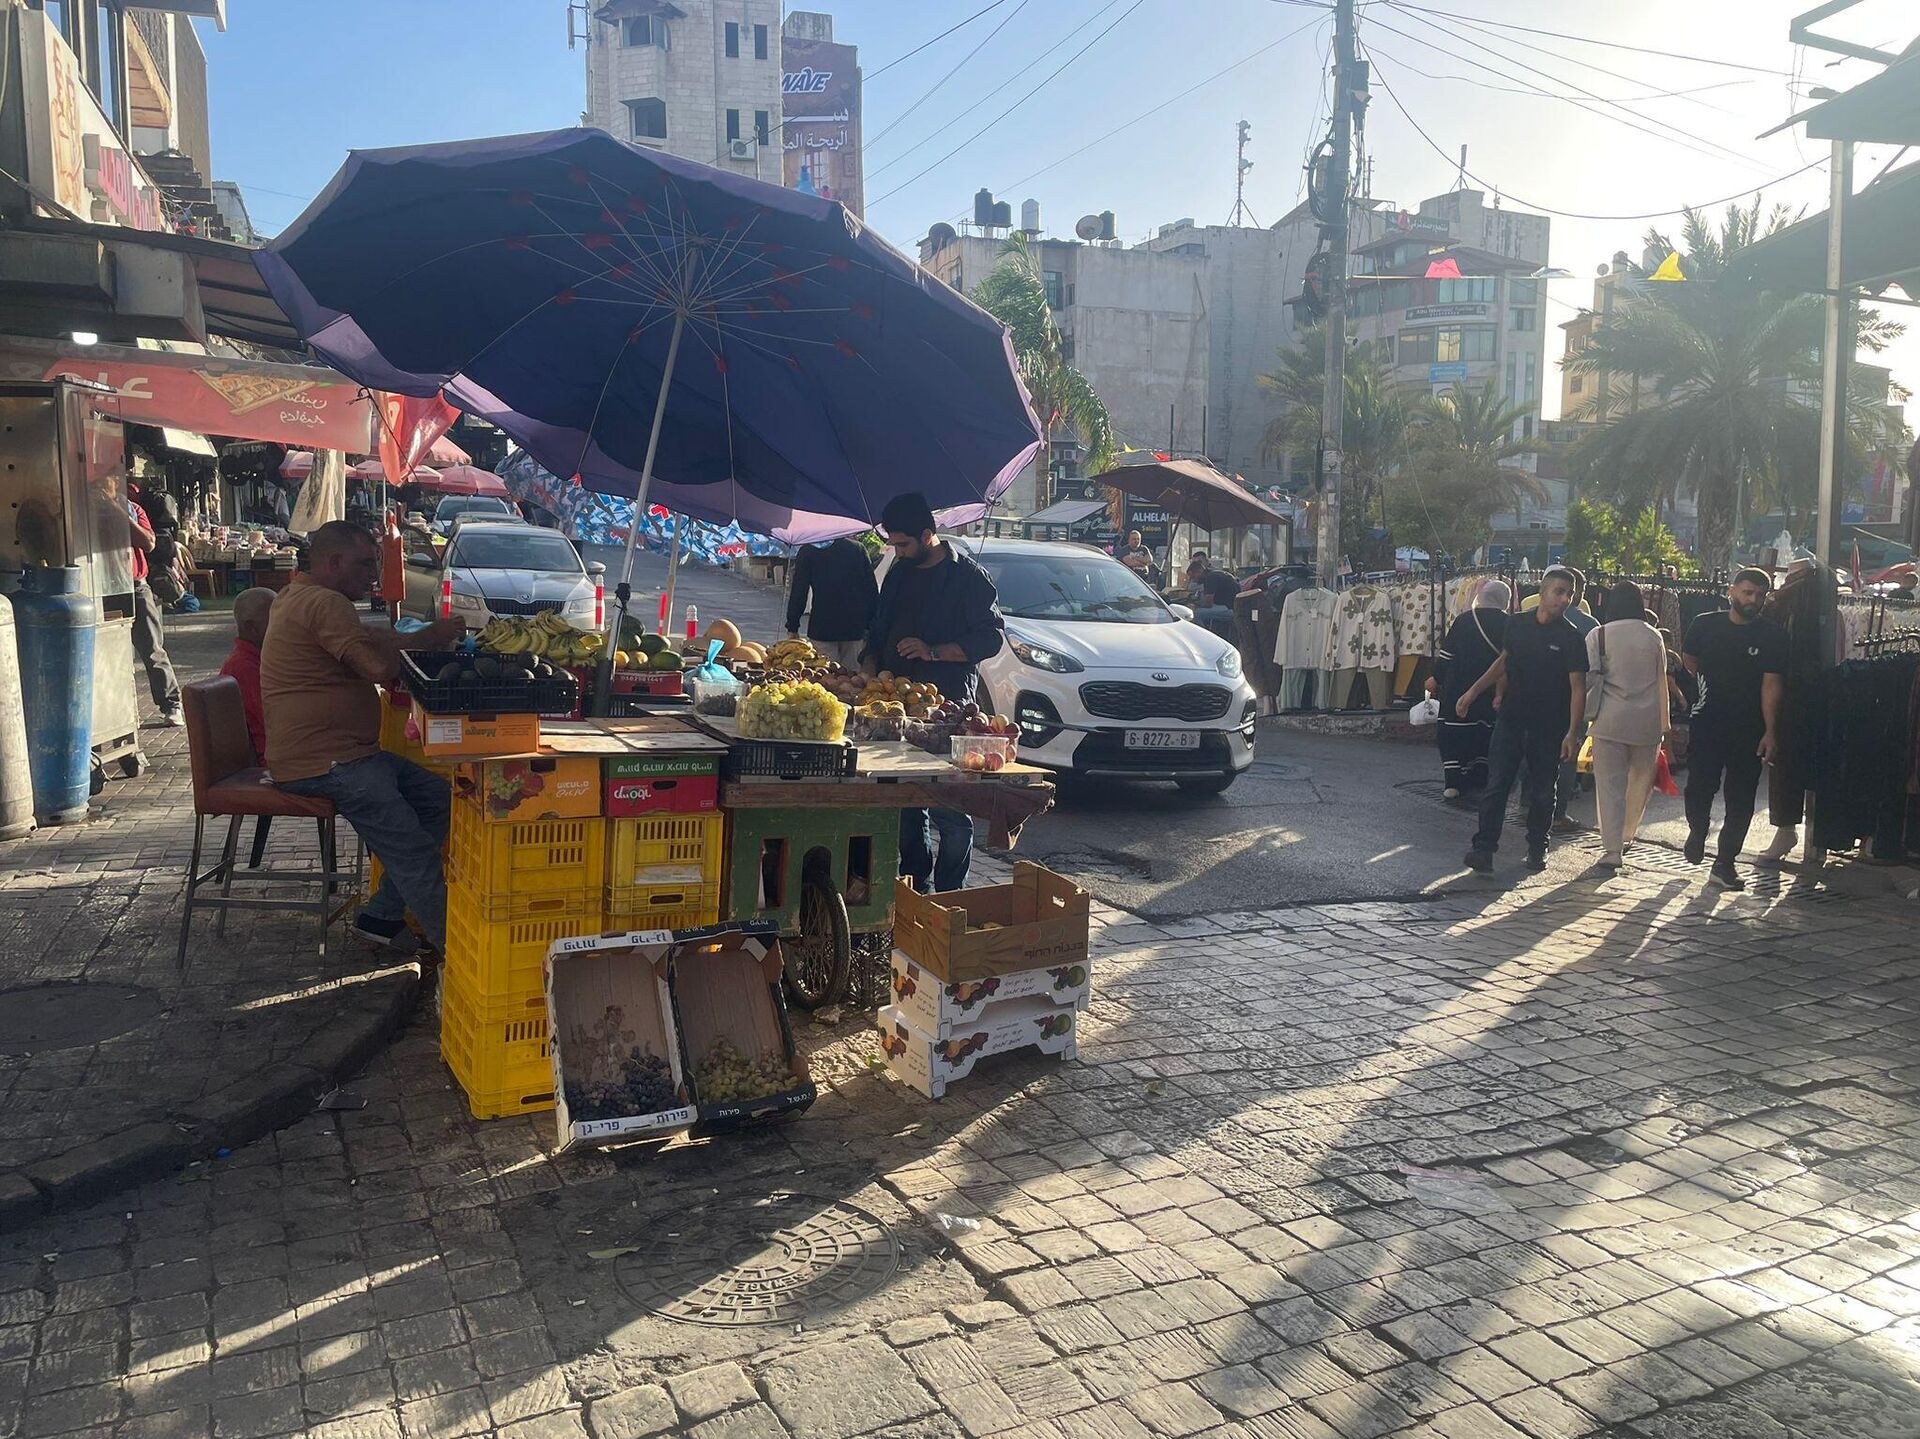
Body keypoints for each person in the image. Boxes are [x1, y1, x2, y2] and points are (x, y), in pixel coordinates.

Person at [265, 521, 463, 951]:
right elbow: (377, 667)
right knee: (412, 852)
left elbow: (370, 639)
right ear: (333, 563)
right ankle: (457, 950)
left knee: (439, 800)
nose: (372, 574)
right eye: (364, 564)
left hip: (345, 756)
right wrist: (429, 642)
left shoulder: (298, 595)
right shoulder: (323, 603)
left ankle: (381, 917)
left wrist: (423, 638)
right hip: (327, 763)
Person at [866, 493, 1005, 893]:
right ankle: (916, 892)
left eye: (903, 544)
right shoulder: (898, 570)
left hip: (948, 709)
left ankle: (949, 896)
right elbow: (879, 625)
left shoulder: (969, 578)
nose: (897, 551)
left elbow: (990, 638)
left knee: (951, 812)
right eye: (893, 544)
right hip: (897, 709)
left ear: (928, 535)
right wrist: (871, 666)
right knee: (909, 809)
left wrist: (934, 651)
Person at [1456, 566, 1589, 874]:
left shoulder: (1571, 637)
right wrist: (1472, 693)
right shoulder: (1516, 625)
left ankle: (1537, 846)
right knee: (1497, 784)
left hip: (1549, 726)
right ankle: (1483, 849)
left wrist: (1572, 732)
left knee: (1543, 790)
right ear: (1542, 593)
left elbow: (1577, 687)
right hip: (1512, 720)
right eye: (1559, 592)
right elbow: (1503, 662)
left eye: (1569, 594)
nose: (1565, 599)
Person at [1681, 567, 1786, 891]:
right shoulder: (1704, 624)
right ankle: (1698, 830)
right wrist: (1709, 685)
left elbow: (1772, 685)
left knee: (1740, 800)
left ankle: (1725, 863)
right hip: (1708, 722)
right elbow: (1688, 658)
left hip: (1749, 729)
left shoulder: (1773, 635)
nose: (1752, 599)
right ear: (1731, 591)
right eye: (1747, 592)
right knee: (1699, 787)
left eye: (1759, 594)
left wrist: (1771, 731)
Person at [1586, 581, 1681, 869]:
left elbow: (1590, 680)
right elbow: (1660, 679)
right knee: (1639, 784)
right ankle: (1627, 835)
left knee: (1609, 785)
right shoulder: (1653, 636)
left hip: (1608, 721)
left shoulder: (1598, 635)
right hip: (1646, 723)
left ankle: (1612, 848)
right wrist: (1664, 726)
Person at [1430, 579, 1510, 799]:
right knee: (1484, 731)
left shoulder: (1464, 620)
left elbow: (1446, 656)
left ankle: (1453, 782)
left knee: (1453, 731)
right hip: (1490, 689)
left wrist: (1436, 678)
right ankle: (1479, 775)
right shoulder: (1509, 623)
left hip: (1458, 687)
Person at [125, 486, 183, 726]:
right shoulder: (84, 513)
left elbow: (148, 543)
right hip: (101, 587)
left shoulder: (133, 509)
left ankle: (171, 703)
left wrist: (120, 516)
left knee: (152, 648)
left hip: (136, 584)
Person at [786, 535, 879, 670]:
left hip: (823, 627)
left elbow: (799, 591)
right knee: (852, 681)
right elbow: (871, 591)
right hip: (854, 628)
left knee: (824, 679)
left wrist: (792, 626)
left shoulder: (808, 551)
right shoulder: (857, 549)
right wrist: (872, 626)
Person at [1552, 567, 1599, 831]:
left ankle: (1528, 800)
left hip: (1543, 695)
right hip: (1575, 698)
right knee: (1569, 752)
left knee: (1534, 747)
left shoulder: (1539, 616)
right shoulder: (1590, 626)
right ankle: (1558, 811)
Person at [218, 588, 277, 760]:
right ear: (251, 628)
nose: (284, 625)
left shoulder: (265, 658)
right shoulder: (244, 667)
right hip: (275, 760)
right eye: (274, 620)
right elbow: (275, 721)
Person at [1185, 554, 1240, 635]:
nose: (1193, 580)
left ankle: (1204, 635)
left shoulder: (1210, 578)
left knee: (1195, 614)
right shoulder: (1213, 574)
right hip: (1230, 606)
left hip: (1230, 609)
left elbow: (1208, 604)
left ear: (1199, 571)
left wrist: (1195, 605)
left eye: (1193, 576)